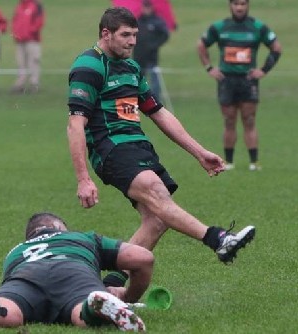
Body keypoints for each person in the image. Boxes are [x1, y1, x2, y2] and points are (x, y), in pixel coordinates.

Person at [67, 7, 256, 288]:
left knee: (156, 220)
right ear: (105, 34)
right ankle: (219, 239)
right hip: (111, 149)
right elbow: (75, 124)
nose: (132, 42)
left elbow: (159, 113)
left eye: (135, 36)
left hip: (139, 146)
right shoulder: (89, 65)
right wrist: (83, 179)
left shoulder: (131, 67)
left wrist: (199, 152)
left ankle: (108, 286)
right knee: (157, 193)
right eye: (125, 35)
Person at [0, 212, 152, 332]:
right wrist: (129, 297)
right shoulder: (81, 238)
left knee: (7, 312)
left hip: (26, 276)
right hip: (72, 273)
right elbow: (142, 258)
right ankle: (95, 304)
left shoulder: (16, 251)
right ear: (60, 228)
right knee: (81, 312)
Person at [197, 0, 282, 171]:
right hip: (226, 80)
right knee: (229, 121)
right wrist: (209, 68)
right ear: (230, 5)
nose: (239, 7)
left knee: (249, 120)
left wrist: (264, 70)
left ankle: (254, 162)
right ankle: (228, 162)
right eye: (236, 4)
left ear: (248, 5)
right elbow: (201, 45)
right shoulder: (220, 27)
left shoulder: (258, 27)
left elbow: (276, 48)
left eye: (243, 3)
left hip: (248, 80)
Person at [133, 0, 169, 99]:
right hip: (138, 55)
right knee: (138, 77)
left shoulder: (157, 21)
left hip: (151, 56)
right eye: (145, 7)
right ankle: (137, 97)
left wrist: (154, 45)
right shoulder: (137, 21)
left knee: (154, 79)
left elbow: (165, 35)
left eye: (148, 7)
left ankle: (155, 98)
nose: (146, 9)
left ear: (152, 7)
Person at [10, 0, 45, 94]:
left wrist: (30, 32)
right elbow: (15, 20)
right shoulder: (19, 5)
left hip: (32, 40)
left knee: (33, 61)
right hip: (20, 40)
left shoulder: (36, 5)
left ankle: (34, 83)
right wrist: (15, 33)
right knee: (20, 62)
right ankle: (20, 83)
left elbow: (39, 21)